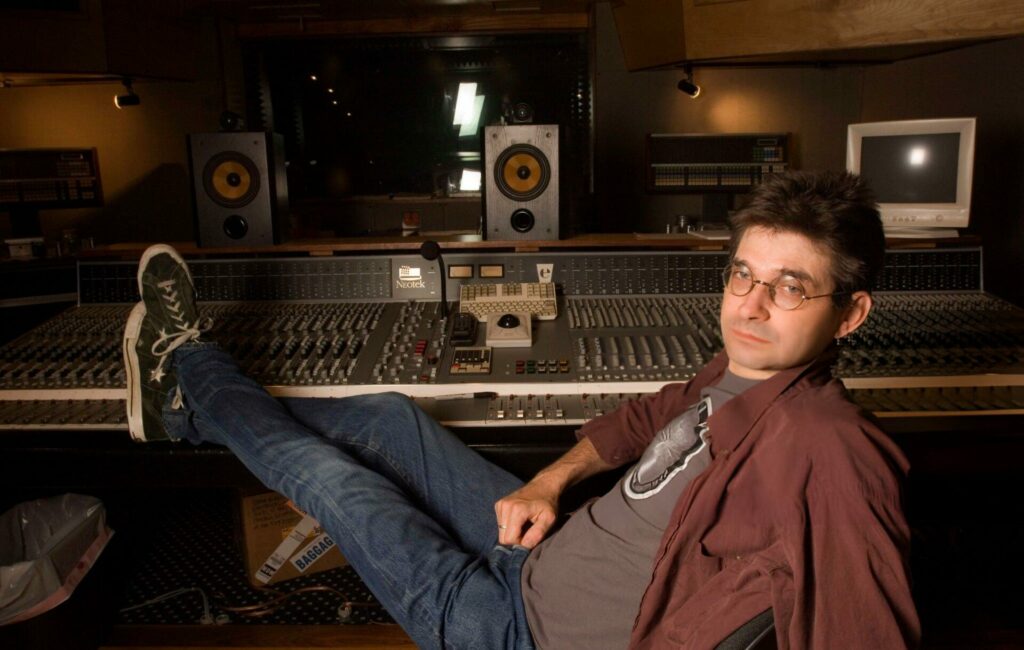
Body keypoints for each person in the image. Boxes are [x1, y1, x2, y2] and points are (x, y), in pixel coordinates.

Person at [123, 170, 920, 649]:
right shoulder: (742, 371)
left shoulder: (829, 447)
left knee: (335, 482)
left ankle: (190, 369)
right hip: (539, 549)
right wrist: (551, 480)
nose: (751, 304)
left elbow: (867, 634)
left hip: (512, 631)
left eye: (790, 286)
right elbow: (645, 420)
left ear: (849, 314)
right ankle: (187, 411)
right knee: (392, 419)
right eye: (743, 274)